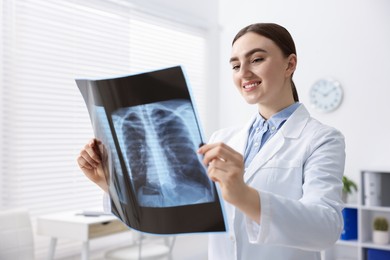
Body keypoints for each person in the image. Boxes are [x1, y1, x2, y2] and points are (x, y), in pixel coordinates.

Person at [77, 23, 345, 260]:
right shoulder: (223, 139)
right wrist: (111, 182)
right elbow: (178, 208)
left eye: (257, 59)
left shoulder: (322, 139)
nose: (244, 73)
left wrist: (244, 196)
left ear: (290, 64)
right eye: (236, 65)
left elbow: (325, 229)